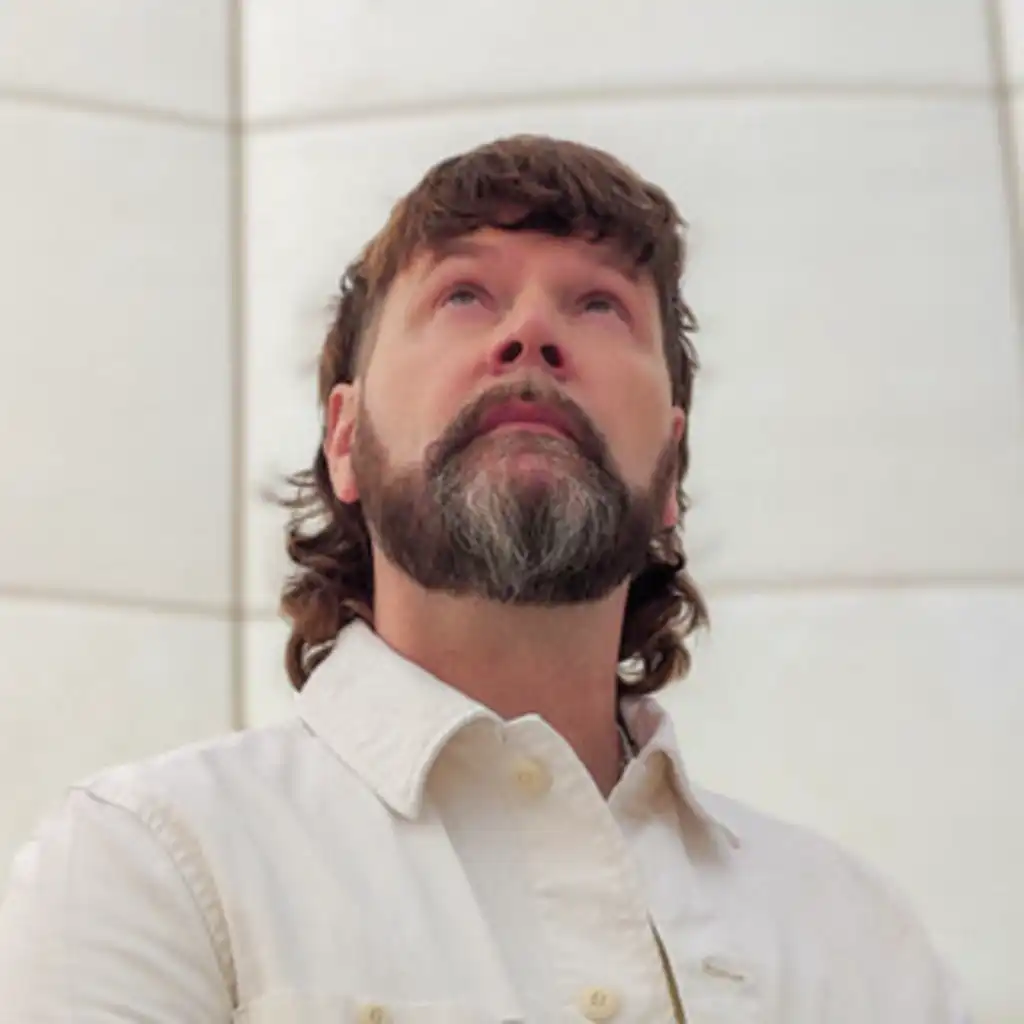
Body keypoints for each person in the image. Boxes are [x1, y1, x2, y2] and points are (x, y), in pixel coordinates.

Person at [0, 135, 969, 1022]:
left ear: (670, 468)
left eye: (599, 303)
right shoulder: (152, 862)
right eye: (464, 294)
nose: (532, 332)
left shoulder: (857, 940)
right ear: (344, 438)